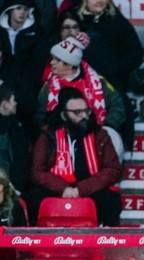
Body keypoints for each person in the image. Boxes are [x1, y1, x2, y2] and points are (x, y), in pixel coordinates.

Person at [29, 87, 123, 226]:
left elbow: (113, 169)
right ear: (63, 115)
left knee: (110, 200)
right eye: (77, 112)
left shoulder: (100, 134)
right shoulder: (48, 135)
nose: (84, 116)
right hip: (57, 189)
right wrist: (63, 189)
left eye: (86, 111)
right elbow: (37, 172)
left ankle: (108, 243)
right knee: (33, 199)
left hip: (90, 189)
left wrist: (81, 189)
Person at [36, 36, 128, 153]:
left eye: (57, 60)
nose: (52, 63)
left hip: (95, 138)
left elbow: (117, 105)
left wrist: (107, 126)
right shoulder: (49, 86)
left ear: (69, 65)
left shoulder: (98, 83)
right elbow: (40, 115)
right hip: (60, 143)